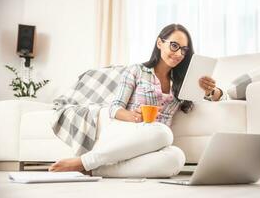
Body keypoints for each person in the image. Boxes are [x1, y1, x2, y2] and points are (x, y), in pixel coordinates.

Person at [49, 24, 224, 177]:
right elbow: (115, 108)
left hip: (153, 142)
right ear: (159, 43)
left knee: (177, 157)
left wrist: (212, 90)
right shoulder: (137, 71)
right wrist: (134, 116)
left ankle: (93, 170)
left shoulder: (183, 82)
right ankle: (86, 160)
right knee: (163, 132)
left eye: (183, 50)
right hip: (127, 132)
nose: (179, 53)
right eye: (174, 46)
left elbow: (221, 97)